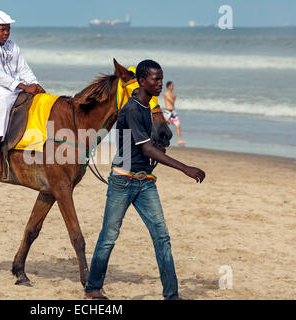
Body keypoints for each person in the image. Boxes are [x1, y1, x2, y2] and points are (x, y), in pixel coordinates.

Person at [83, 60, 205, 300]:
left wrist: (160, 144)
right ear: (141, 81)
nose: (159, 84)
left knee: (162, 237)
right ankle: (93, 289)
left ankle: (172, 295)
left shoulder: (147, 107)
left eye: (161, 79)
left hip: (145, 181)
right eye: (155, 79)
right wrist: (184, 168)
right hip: (123, 181)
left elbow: (142, 146)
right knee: (109, 237)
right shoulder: (132, 109)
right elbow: (147, 150)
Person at [0, 10, 45, 172]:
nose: (6, 32)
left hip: (18, 85)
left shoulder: (12, 46)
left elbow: (23, 68)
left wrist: (35, 84)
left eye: (8, 29)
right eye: (3, 29)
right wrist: (24, 86)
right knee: (5, 98)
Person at [164, 81, 186, 146]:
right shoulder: (166, 93)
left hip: (173, 112)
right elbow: (171, 101)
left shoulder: (173, 94)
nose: (173, 87)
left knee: (178, 126)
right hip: (167, 112)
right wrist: (173, 96)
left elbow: (173, 100)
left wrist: (173, 96)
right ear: (168, 86)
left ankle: (179, 140)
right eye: (172, 85)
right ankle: (163, 139)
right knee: (165, 127)